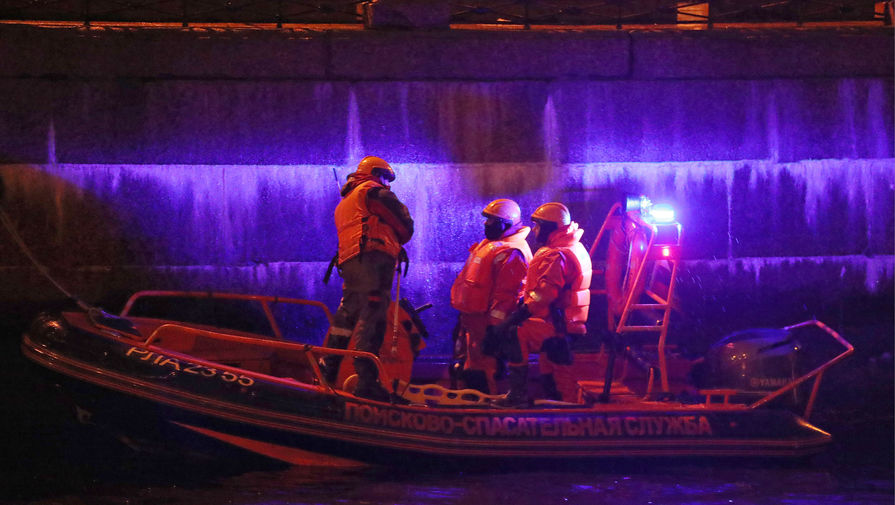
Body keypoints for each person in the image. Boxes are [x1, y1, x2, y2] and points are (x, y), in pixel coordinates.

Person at [323, 155, 414, 402]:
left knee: (347, 315)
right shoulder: (374, 192)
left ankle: (327, 369)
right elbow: (405, 225)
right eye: (386, 177)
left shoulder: (346, 202)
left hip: (351, 264)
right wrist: (397, 240)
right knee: (373, 316)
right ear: (375, 173)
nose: (387, 184)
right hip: (374, 262)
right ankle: (367, 381)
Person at [487, 202, 592, 406]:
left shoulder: (557, 255)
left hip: (556, 325)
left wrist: (513, 318)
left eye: (538, 226)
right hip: (563, 322)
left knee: (515, 333)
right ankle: (558, 406)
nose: (534, 230)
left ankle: (517, 395)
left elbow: (543, 295)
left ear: (551, 228)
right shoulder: (572, 247)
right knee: (554, 371)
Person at [450, 199, 533, 394]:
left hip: (488, 325)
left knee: (490, 372)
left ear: (506, 225)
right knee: (472, 372)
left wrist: (495, 329)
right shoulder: (492, 245)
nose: (486, 224)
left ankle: (492, 414)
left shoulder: (512, 252)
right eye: (486, 220)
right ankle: (471, 410)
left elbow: (508, 296)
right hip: (473, 322)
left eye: (492, 221)